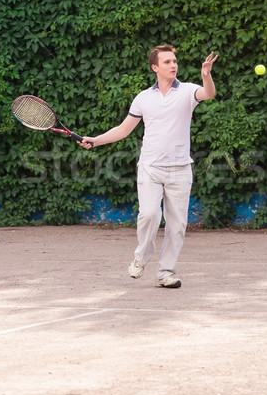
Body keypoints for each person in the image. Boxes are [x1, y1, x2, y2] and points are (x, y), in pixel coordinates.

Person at [80, 44, 217, 288]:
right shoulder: (143, 98)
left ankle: (166, 273)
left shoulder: (187, 91)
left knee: (177, 226)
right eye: (167, 62)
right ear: (155, 67)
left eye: (174, 61)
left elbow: (208, 94)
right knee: (149, 214)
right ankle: (140, 258)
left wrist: (206, 76)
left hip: (180, 169)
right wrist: (96, 140)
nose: (173, 65)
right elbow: (124, 129)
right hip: (150, 167)